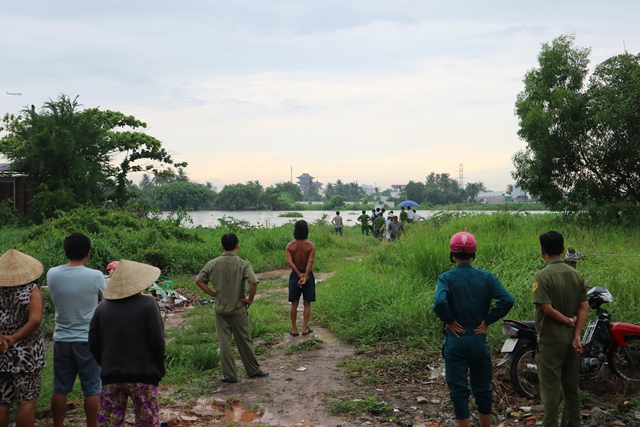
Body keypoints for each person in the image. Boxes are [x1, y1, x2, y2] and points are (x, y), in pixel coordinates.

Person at [433, 232, 514, 427]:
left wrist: (450, 320)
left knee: (459, 390)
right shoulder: (486, 277)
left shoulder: (446, 278)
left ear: (452, 255)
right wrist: (487, 320)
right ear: (474, 254)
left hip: (455, 340)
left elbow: (439, 302)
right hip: (478, 340)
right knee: (483, 387)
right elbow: (507, 300)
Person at [89, 260, 166, 427]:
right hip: (144, 375)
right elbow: (157, 341)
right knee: (148, 422)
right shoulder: (148, 304)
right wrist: (159, 366)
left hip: (112, 376)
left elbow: (93, 343)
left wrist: (106, 364)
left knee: (109, 422)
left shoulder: (102, 308)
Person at [47, 233, 106, 427]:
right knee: (92, 388)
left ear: (66, 251)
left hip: (62, 339)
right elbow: (106, 301)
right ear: (88, 253)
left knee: (60, 388)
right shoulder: (96, 275)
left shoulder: (52, 273)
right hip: (87, 340)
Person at [195, 234, 269, 382]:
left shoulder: (213, 263)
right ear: (237, 246)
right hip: (238, 308)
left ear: (222, 246)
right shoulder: (243, 263)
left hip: (221, 308)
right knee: (244, 340)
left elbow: (199, 281)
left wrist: (213, 293)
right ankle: (253, 370)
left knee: (224, 343)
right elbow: (253, 282)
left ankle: (229, 375)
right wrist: (250, 299)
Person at [533, 231, 588, 427]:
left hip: (551, 340)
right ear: (563, 250)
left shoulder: (542, 276)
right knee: (572, 387)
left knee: (551, 391)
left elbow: (546, 309)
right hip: (572, 340)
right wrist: (577, 333)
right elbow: (584, 306)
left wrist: (567, 321)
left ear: (542, 250)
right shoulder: (576, 275)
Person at [0, 250, 45, 427]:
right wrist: (13, 338)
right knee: (26, 401)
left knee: (2, 401)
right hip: (27, 354)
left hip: (1, 351)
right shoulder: (31, 290)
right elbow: (35, 320)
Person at [285, 220, 316, 336]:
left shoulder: (290, 246)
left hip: (295, 275)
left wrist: (298, 274)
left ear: (295, 230)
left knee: (294, 303)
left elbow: (289, 261)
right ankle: (304, 328)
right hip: (307, 274)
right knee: (307, 302)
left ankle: (293, 329)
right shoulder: (311, 246)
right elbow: (310, 261)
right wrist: (306, 275)